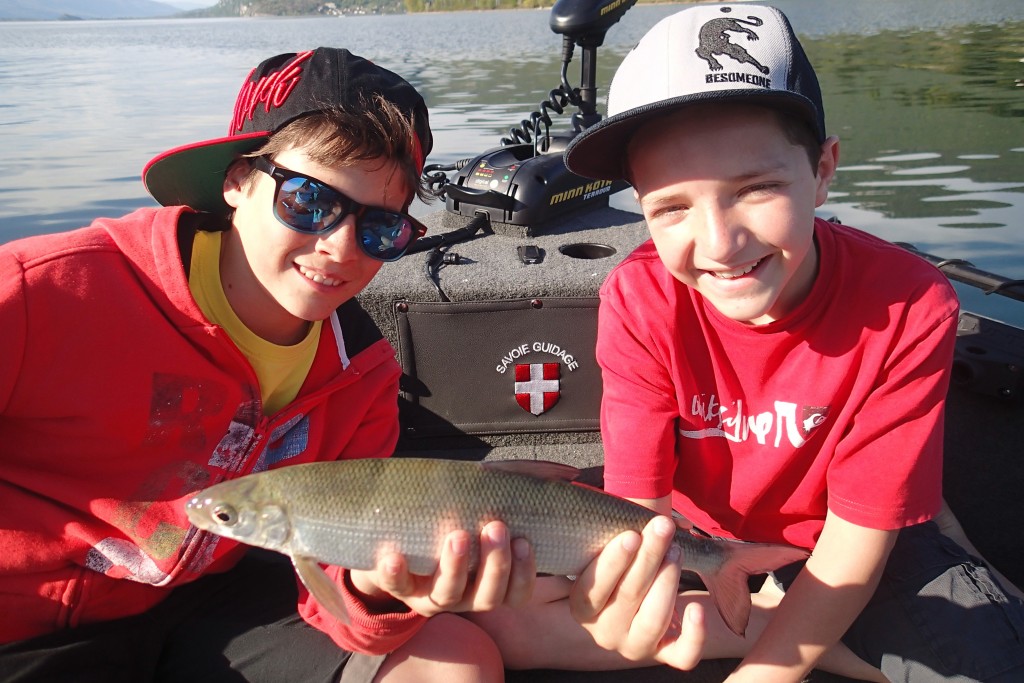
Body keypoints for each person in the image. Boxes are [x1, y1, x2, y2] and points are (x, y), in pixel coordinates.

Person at [471, 5, 1024, 682]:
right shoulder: (639, 297)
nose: (721, 244)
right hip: (698, 538)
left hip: (843, 539)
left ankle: (779, 625)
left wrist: (764, 673)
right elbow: (641, 514)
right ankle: (770, 622)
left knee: (988, 663)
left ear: (823, 170)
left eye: (757, 188)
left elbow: (856, 543)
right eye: (671, 206)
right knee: (502, 619)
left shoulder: (909, 302)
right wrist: (636, 593)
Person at [0, 47, 535, 683]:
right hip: (24, 627)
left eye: (380, 229)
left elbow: (334, 594)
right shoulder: (43, 293)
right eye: (309, 201)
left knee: (456, 660)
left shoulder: (362, 376)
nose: (338, 247)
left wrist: (376, 588)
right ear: (237, 182)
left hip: (208, 600)